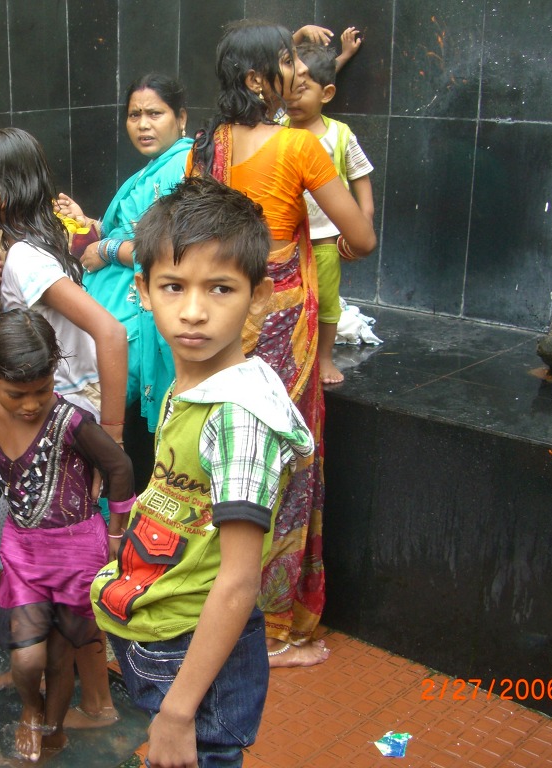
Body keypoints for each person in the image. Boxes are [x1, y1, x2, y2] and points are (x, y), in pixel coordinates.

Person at [91, 177, 315, 768]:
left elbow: (239, 581)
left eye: (220, 288)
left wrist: (177, 713)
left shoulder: (238, 417)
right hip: (167, 627)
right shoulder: (190, 385)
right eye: (174, 286)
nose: (193, 312)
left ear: (258, 297)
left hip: (194, 662)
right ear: (143, 290)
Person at [189, 20, 376, 668]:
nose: (298, 72)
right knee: (284, 469)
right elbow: (361, 239)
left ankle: (214, 606)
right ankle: (272, 631)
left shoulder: (204, 148)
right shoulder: (300, 147)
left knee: (227, 463)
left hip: (220, 321)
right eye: (286, 62)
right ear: (256, 79)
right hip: (280, 328)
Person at [0, 126, 128, 730]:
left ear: (1, 191)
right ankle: (33, 647)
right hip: (61, 415)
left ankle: (94, 698)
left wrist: (109, 436)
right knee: (13, 535)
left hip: (66, 424)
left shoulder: (28, 257)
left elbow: (110, 332)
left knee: (61, 558)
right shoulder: (33, 247)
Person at [0, 309, 134, 762]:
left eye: (42, 390)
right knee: (27, 659)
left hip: (78, 555)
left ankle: (54, 729)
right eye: (16, 394)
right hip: (24, 553)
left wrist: (117, 532)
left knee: (61, 656)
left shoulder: (70, 419)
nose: (30, 405)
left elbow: (120, 465)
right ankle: (32, 708)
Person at [54, 73, 193, 433]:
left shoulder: (183, 167)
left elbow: (175, 250)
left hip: (138, 311)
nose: (143, 125)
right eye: (134, 115)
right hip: (112, 303)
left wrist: (107, 248)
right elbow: (131, 228)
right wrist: (87, 224)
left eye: (155, 114)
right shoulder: (153, 168)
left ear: (181, 117)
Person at [284, 41, 374, 384]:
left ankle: (324, 357)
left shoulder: (339, 134)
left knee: (326, 301)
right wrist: (296, 39)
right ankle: (288, 353)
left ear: (327, 94)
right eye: (287, 90)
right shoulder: (277, 127)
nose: (292, 98)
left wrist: (364, 221)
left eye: (302, 90)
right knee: (286, 297)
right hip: (284, 237)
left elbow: (361, 177)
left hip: (324, 238)